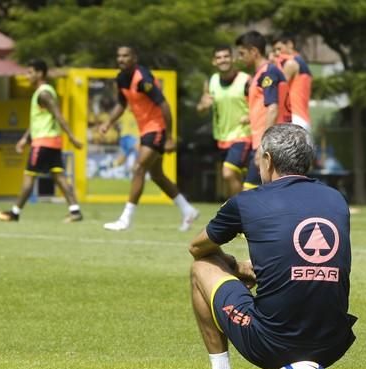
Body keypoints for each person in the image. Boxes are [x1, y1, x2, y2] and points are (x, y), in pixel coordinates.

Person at [187, 124, 357, 369]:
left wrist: (234, 265)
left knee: (202, 266)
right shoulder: (336, 199)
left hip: (270, 345)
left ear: (268, 160)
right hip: (331, 345)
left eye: (258, 157)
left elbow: (196, 248)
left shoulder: (247, 201)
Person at [99, 45, 199, 231]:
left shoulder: (143, 79)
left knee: (138, 167)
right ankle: (188, 210)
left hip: (157, 128)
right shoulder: (121, 78)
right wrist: (109, 122)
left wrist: (169, 137)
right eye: (119, 56)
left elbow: (164, 105)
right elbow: (122, 103)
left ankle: (125, 219)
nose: (121, 59)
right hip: (145, 130)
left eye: (126, 55)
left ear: (134, 58)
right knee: (157, 175)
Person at [0, 59, 83, 223]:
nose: (27, 76)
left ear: (40, 73)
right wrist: (25, 138)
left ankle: (14, 213)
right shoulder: (43, 92)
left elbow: (58, 115)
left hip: (43, 143)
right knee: (59, 177)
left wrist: (72, 137)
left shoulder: (44, 93)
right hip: (52, 142)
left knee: (29, 178)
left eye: (30, 72)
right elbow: (38, 121)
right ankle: (75, 211)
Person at [235, 31, 291, 190]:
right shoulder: (262, 73)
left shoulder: (268, 72)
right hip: (269, 141)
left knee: (250, 190)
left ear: (254, 51)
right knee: (272, 192)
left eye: (242, 53)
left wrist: (263, 145)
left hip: (271, 142)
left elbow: (272, 108)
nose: (239, 58)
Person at [197, 45, 252, 197]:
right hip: (222, 138)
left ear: (233, 59)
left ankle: (238, 211)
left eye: (226, 56)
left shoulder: (246, 80)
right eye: (219, 57)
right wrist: (203, 105)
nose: (223, 60)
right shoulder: (212, 81)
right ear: (214, 62)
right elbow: (201, 109)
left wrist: (251, 116)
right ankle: (247, 213)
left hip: (244, 135)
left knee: (228, 173)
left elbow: (259, 104)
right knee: (241, 180)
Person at [273, 34, 312, 131]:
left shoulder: (290, 64)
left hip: (293, 118)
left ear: (290, 45)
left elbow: (278, 88)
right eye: (275, 50)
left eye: (279, 49)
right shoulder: (301, 63)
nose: (277, 53)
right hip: (302, 118)